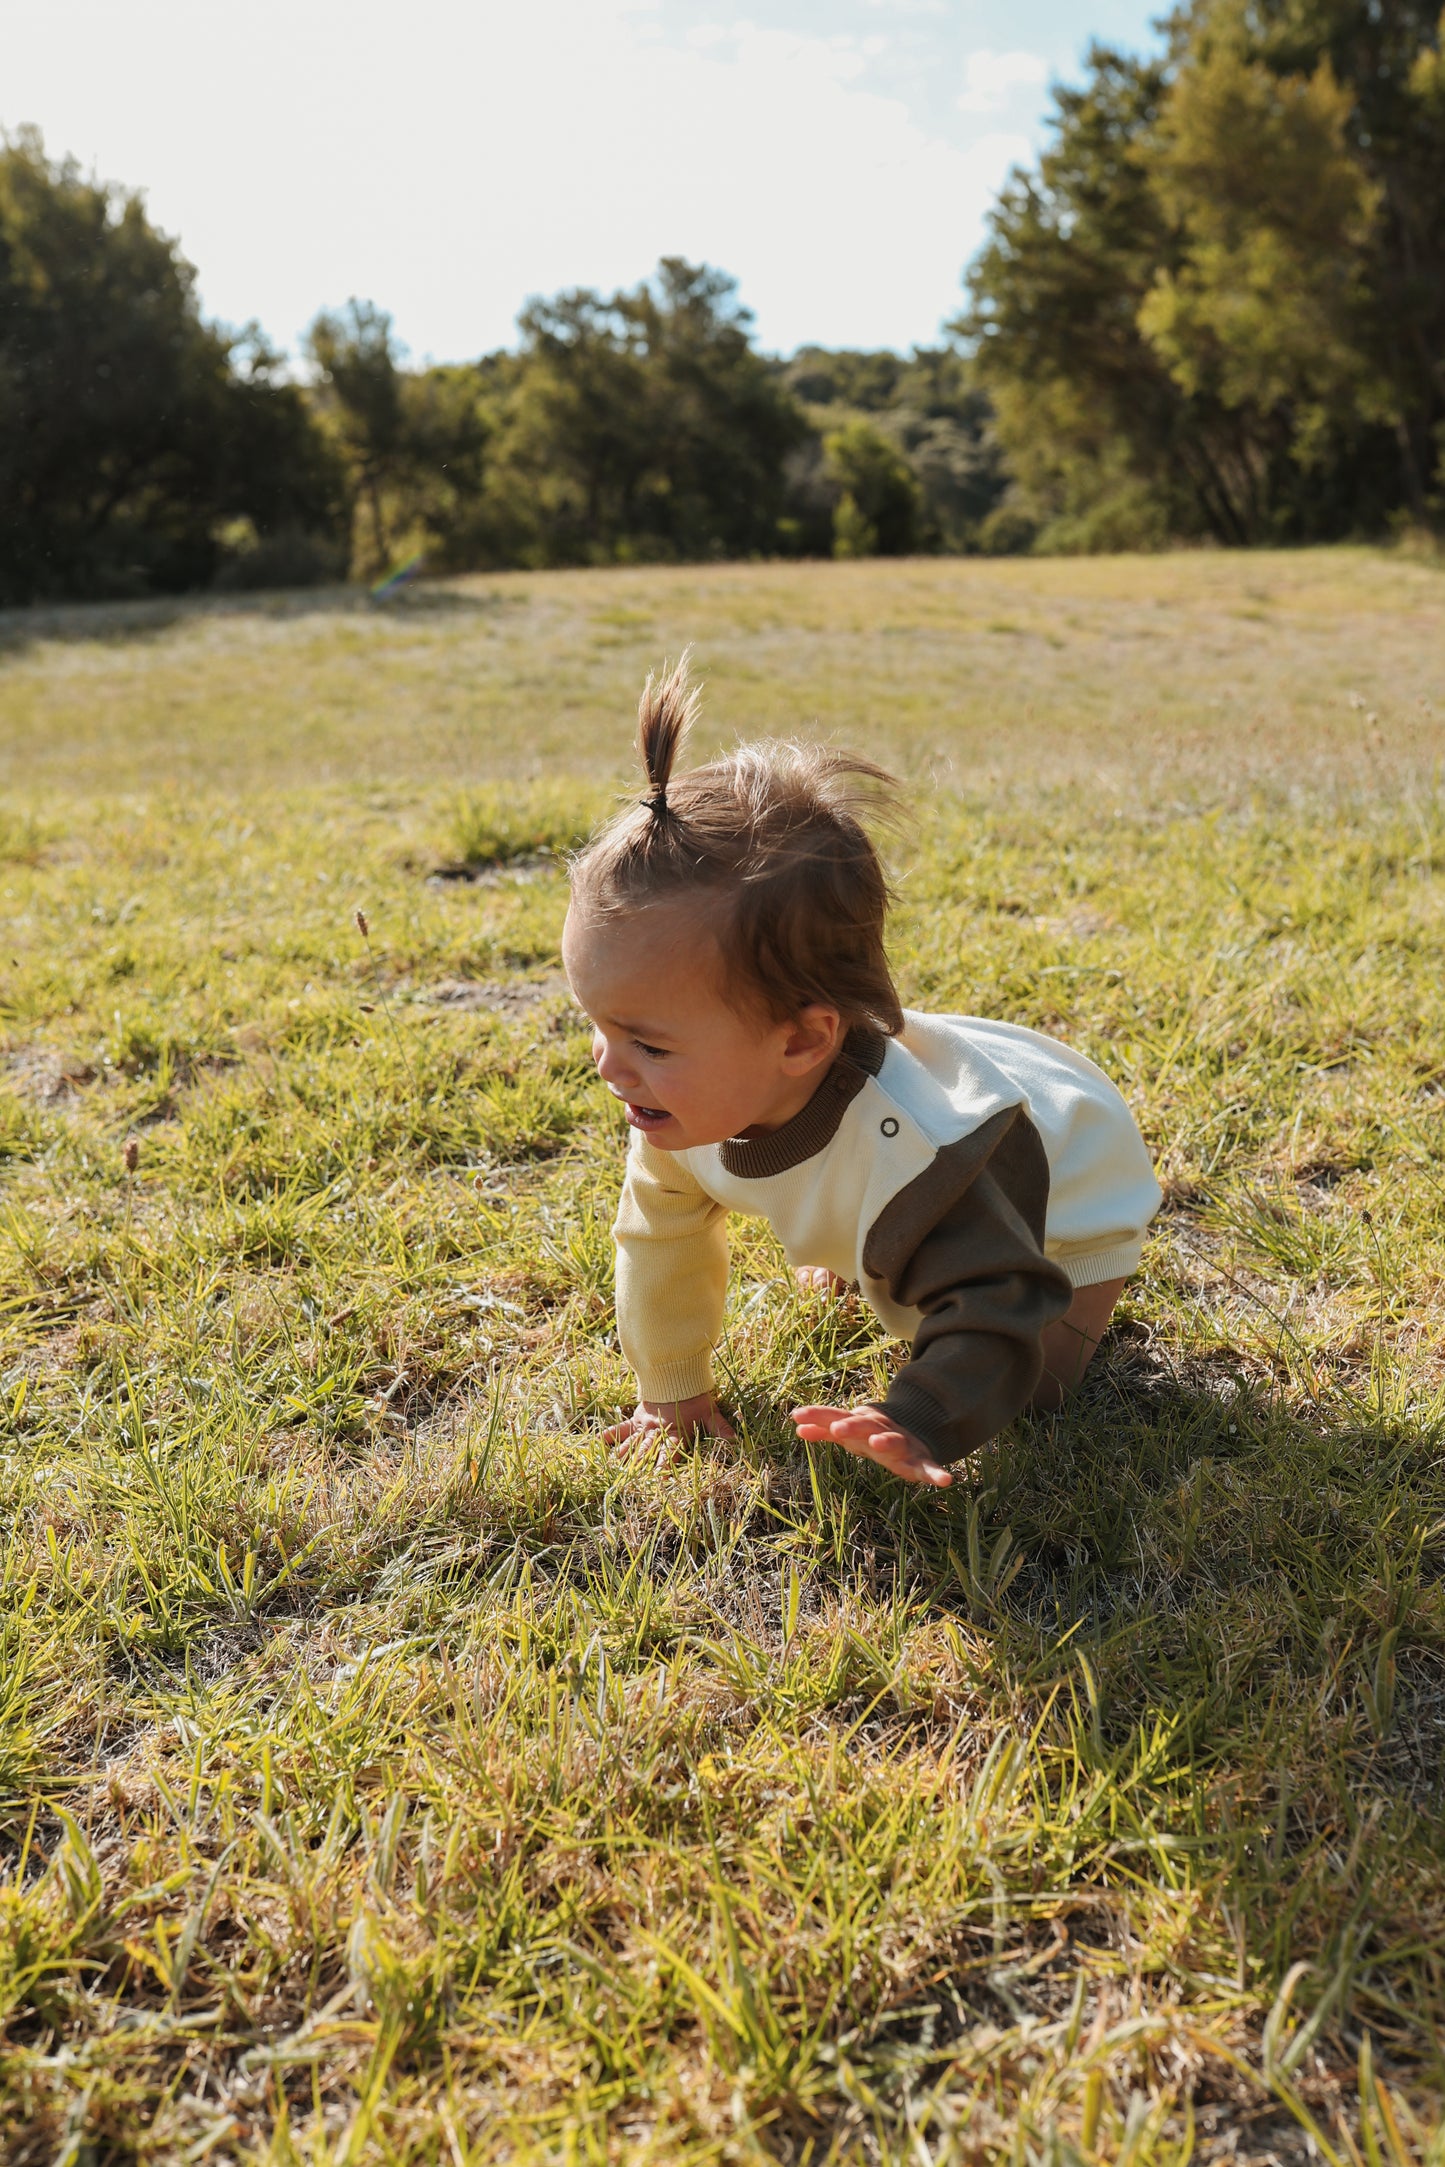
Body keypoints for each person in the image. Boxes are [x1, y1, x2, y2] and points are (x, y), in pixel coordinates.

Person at [561, 657, 1161, 1489]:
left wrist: (912, 1416)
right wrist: (670, 1392)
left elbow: (995, 1302)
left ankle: (888, 1248)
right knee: (884, 1240)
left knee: (1036, 1393)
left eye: (648, 1044)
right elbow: (657, 1236)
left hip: (1060, 1202)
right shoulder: (678, 1102)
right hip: (901, 1181)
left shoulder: (925, 1151)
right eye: (597, 1024)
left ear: (802, 1041)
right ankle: (868, 1247)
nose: (608, 1065)